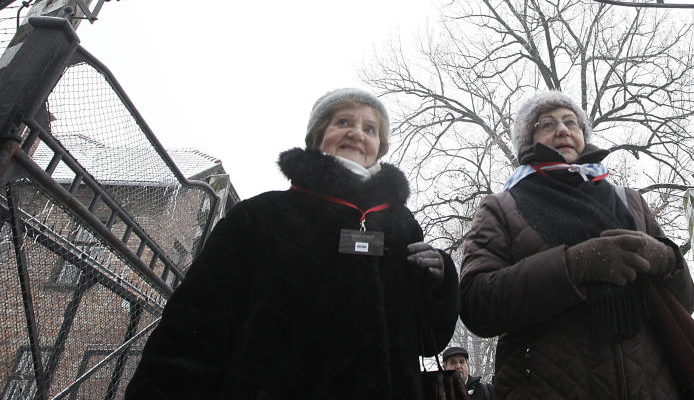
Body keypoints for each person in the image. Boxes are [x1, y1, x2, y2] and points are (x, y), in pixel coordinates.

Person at [126, 88, 459, 399]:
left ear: (379, 148)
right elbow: (191, 329)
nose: (357, 133)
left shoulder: (403, 228)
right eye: (343, 122)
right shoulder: (259, 217)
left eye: (370, 129)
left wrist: (440, 282)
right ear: (317, 137)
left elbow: (427, 341)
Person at [458, 91, 694, 399]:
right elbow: (476, 303)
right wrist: (574, 266)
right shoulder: (502, 208)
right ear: (529, 142)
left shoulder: (630, 202)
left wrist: (666, 259)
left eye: (571, 121)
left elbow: (686, 302)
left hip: (651, 387)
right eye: (547, 124)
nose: (562, 129)